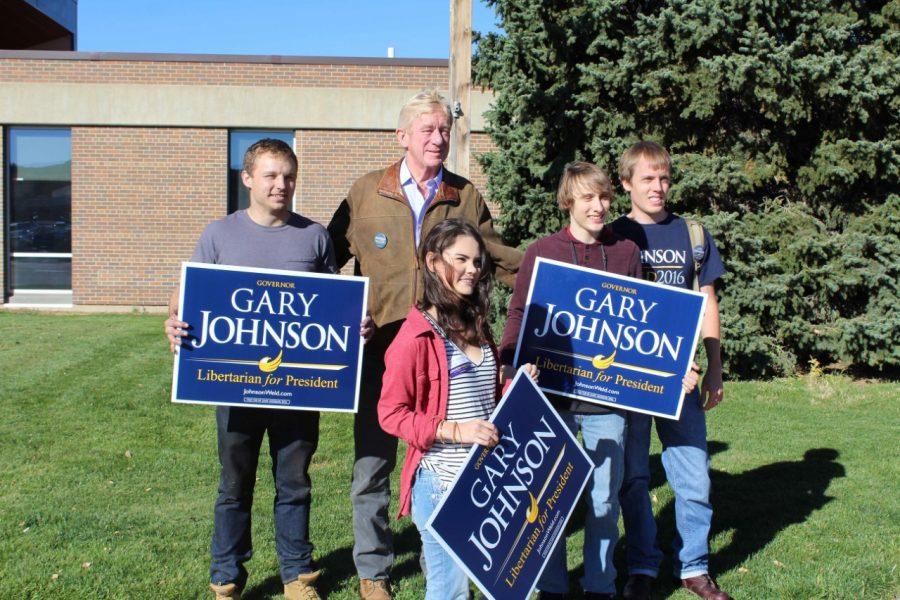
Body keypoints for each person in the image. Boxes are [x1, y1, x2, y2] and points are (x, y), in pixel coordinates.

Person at [327, 89, 522, 600]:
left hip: (448, 349)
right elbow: (322, 262)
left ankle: (456, 546)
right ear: (402, 136)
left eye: (444, 130)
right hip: (379, 351)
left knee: (450, 452)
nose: (438, 139)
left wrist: (557, 274)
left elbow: (497, 259)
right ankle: (374, 571)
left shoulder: (464, 194)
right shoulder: (365, 192)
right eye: (427, 130)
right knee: (372, 465)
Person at [164, 139, 371, 600]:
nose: (282, 185)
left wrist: (355, 324)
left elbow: (331, 306)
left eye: (289, 176)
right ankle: (227, 576)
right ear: (248, 179)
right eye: (272, 176)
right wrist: (173, 321)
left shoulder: (314, 236)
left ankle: (298, 574)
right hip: (235, 387)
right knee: (234, 482)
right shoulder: (218, 235)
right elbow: (189, 298)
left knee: (294, 481)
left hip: (298, 388)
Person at [499, 162, 698, 599]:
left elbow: (649, 322)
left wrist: (676, 366)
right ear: (568, 201)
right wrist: (510, 365)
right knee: (548, 500)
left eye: (604, 197)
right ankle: (552, 588)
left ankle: (599, 587)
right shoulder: (541, 252)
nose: (599, 206)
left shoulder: (627, 252)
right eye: (588, 198)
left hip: (607, 403)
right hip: (552, 400)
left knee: (604, 500)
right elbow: (519, 312)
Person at [378, 219, 537, 600]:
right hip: (442, 485)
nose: (472, 269)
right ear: (433, 262)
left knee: (503, 584)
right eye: (461, 259)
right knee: (450, 592)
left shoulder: (476, 324)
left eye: (477, 261)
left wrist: (514, 382)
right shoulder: (415, 336)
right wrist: (454, 430)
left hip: (490, 480)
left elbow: (485, 395)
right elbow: (390, 413)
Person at [611, 141, 730, 600]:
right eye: (647, 179)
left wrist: (714, 366)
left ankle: (694, 567)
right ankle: (642, 566)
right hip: (631, 380)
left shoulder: (692, 234)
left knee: (693, 475)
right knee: (635, 478)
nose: (658, 188)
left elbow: (706, 302)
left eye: (663, 178)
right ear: (626, 184)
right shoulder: (615, 235)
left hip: (684, 380)